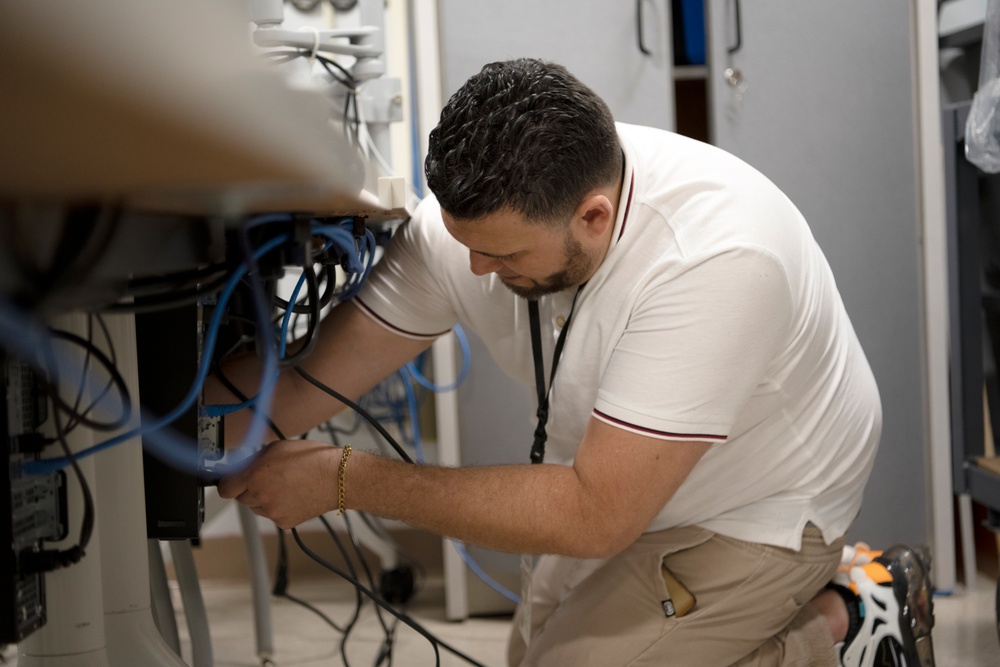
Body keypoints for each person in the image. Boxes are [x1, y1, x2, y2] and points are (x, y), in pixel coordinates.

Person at [212, 58, 935, 666]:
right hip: (619, 478)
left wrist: (346, 478)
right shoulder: (477, 227)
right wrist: (170, 421)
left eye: (503, 254)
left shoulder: (717, 256)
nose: (477, 268)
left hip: (762, 503)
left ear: (593, 215)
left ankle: (853, 615)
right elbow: (299, 389)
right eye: (467, 245)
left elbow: (594, 514)